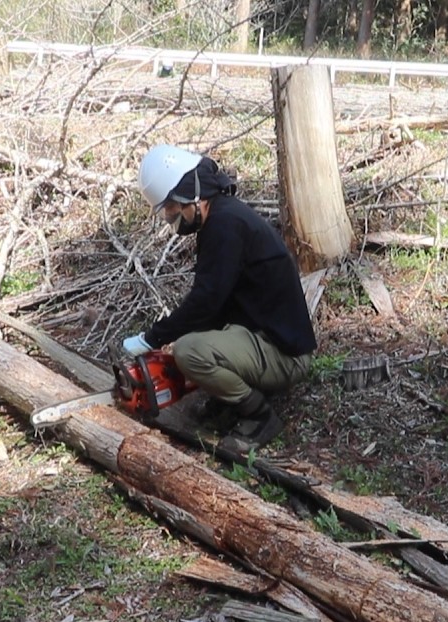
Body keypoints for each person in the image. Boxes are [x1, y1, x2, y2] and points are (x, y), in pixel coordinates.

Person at [122, 144, 317, 452]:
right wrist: (172, 336)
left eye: (174, 207)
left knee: (190, 352)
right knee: (191, 341)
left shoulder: (225, 226)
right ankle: (230, 398)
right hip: (262, 336)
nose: (173, 216)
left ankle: (259, 415)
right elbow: (216, 304)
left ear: (192, 195)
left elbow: (206, 301)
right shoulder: (224, 219)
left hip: (285, 355)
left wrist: (152, 338)